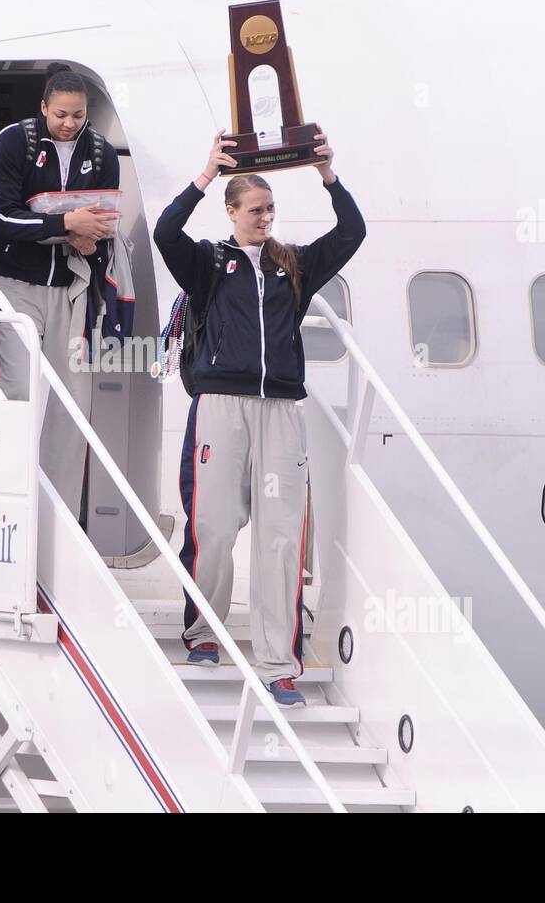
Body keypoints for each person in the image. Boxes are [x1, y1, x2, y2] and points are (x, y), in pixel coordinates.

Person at [153, 129, 367, 707]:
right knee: (215, 524)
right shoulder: (207, 264)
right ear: (232, 212)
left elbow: (352, 233)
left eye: (271, 209)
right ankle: (204, 634)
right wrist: (204, 175)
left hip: (281, 412)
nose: (265, 218)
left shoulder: (291, 266)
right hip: (220, 407)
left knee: (279, 537)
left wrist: (327, 173)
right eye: (255, 209)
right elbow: (164, 232)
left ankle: (279, 664)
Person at [0, 63, 125, 518]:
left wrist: (87, 235)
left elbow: (107, 218)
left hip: (72, 285)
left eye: (78, 115)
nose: (69, 124)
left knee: (72, 406)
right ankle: (7, 507)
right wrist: (67, 224)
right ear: (43, 107)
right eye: (61, 114)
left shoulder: (102, 151)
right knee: (21, 397)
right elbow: (2, 218)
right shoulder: (14, 140)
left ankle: (60, 518)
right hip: (18, 285)